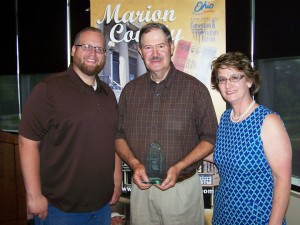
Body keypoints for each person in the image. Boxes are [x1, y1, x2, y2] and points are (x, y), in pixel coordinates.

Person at [116, 22, 218, 225]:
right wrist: (135, 164)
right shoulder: (130, 91)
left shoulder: (195, 89)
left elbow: (210, 137)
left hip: (181, 191)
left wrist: (179, 166)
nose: (155, 53)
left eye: (160, 46)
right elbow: (118, 135)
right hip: (141, 191)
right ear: (140, 51)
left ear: (171, 47)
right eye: (148, 47)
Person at [18, 27, 122, 225]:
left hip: (101, 207)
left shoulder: (108, 94)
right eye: (87, 47)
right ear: (73, 50)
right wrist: (34, 195)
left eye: (99, 49)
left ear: (105, 56)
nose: (93, 53)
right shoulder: (49, 89)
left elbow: (113, 138)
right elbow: (27, 142)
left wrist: (116, 179)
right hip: (60, 211)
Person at [208, 52, 292, 224]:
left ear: (249, 81)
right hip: (224, 214)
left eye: (234, 77)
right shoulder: (226, 118)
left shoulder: (268, 121)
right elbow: (222, 156)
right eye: (222, 79)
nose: (228, 84)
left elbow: (282, 180)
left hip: (257, 216)